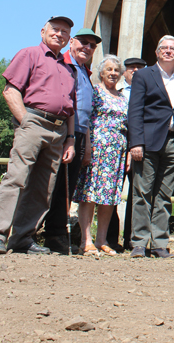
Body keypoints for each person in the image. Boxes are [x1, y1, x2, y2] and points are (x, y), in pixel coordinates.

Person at [0, 16, 77, 255]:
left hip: (59, 130)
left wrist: (70, 138)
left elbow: (71, 108)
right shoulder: (29, 54)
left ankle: (23, 238)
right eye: (55, 29)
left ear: (69, 38)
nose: (59, 34)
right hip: (33, 121)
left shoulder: (68, 69)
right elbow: (10, 90)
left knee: (43, 187)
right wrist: (25, 121)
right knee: (16, 178)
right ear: (43, 31)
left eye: (64, 32)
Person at [127, 35, 174, 258]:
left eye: (173, 48)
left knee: (165, 196)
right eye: (163, 48)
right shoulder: (144, 75)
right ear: (156, 53)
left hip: (173, 143)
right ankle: (139, 242)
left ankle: (159, 243)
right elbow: (135, 110)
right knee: (142, 193)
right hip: (147, 142)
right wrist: (135, 142)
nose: (168, 51)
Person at [42, 27, 101, 254]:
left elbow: (86, 111)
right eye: (83, 42)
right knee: (51, 184)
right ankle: (42, 232)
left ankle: (56, 235)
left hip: (78, 134)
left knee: (67, 185)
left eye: (92, 45)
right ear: (72, 42)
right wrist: (69, 136)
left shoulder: (85, 71)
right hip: (62, 132)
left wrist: (85, 145)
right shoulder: (64, 64)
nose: (87, 47)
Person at [72, 55, 129, 256]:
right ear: (101, 73)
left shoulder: (123, 98)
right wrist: (86, 147)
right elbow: (85, 119)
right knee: (89, 195)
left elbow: (127, 126)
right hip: (96, 149)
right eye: (109, 70)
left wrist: (127, 152)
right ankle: (85, 240)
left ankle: (101, 240)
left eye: (116, 70)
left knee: (109, 197)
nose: (113, 73)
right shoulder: (95, 91)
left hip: (116, 153)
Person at [106, 57, 147, 251]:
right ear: (125, 73)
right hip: (117, 148)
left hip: (140, 149)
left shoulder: (149, 95)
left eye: (140, 68)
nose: (136, 70)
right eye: (131, 68)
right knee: (112, 192)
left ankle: (133, 239)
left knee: (137, 195)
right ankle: (110, 238)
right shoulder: (118, 93)